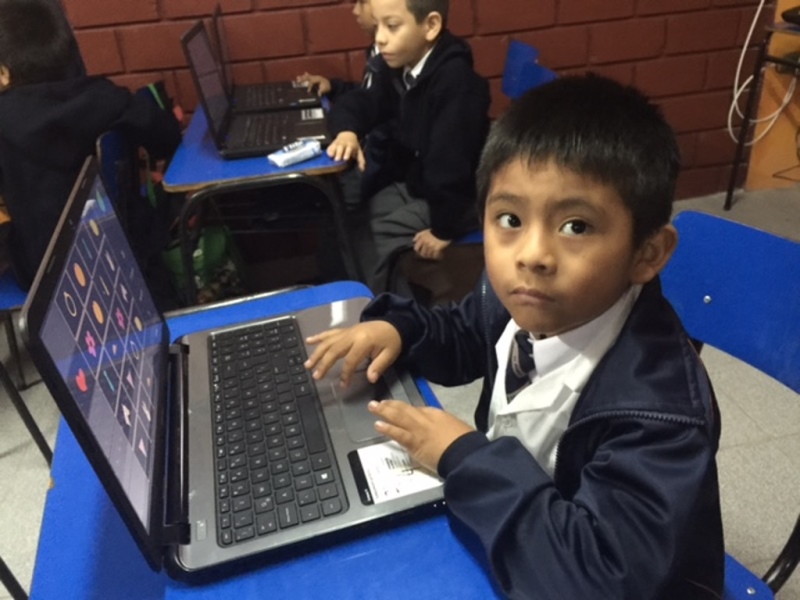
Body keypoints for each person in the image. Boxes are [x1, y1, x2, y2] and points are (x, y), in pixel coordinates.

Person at [304, 74, 725, 599]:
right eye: (509, 219)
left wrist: (464, 457)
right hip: (519, 519)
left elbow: (596, 580)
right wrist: (399, 328)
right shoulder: (519, 299)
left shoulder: (660, 415)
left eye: (576, 226)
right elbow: (462, 333)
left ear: (647, 253)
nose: (531, 255)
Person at [0, 0, 182, 299]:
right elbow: (166, 136)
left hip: (47, 274)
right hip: (126, 251)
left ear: (4, 74)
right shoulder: (103, 97)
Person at [326, 0, 490, 293]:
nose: (379, 38)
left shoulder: (457, 85)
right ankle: (364, 293)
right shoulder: (403, 68)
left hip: (459, 202)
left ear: (431, 26)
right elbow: (365, 101)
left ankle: (389, 310)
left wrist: (444, 230)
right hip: (421, 184)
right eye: (377, 26)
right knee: (350, 218)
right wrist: (347, 131)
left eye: (392, 26)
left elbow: (451, 167)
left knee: (375, 236)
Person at [296, 0, 379, 101]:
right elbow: (367, 95)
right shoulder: (375, 51)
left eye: (362, 2)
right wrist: (332, 88)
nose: (355, 11)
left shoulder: (392, 60)